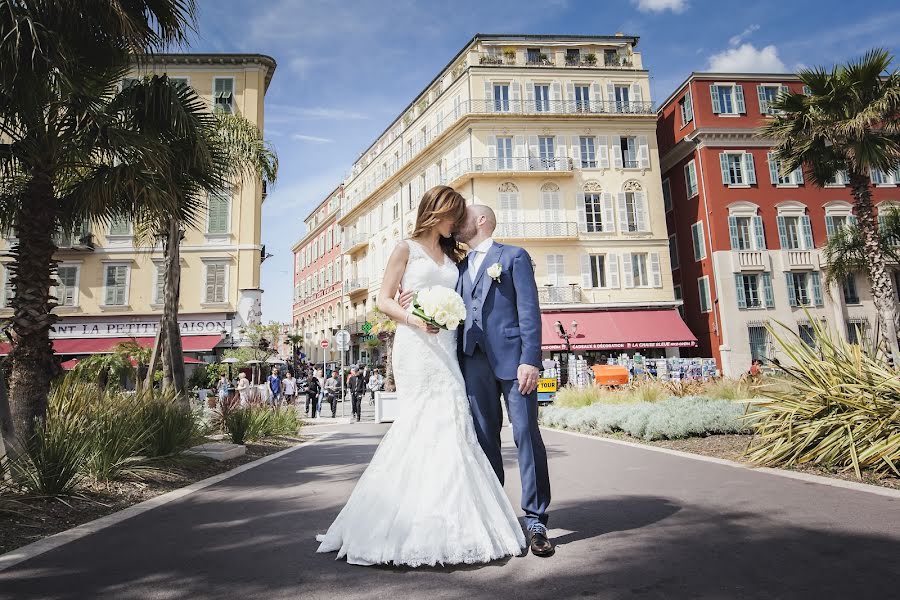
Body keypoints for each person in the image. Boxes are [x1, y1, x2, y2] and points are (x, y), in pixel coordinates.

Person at [316, 185, 526, 567]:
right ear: (437, 213)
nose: (457, 224)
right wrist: (414, 317)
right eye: (453, 217)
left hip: (447, 345)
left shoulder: (453, 255)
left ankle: (452, 521)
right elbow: (382, 299)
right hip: (416, 344)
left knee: (453, 422)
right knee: (422, 423)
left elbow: (468, 295)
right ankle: (403, 522)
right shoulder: (404, 248)